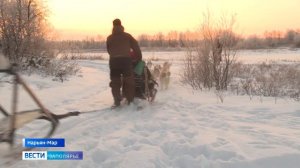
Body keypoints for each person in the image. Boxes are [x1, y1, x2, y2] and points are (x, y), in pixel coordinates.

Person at [106, 18, 142, 107]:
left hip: (114, 61)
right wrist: (139, 58)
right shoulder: (127, 36)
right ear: (121, 25)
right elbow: (136, 47)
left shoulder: (109, 38)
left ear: (113, 26)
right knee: (129, 80)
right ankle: (130, 101)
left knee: (115, 81)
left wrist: (115, 55)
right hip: (126, 61)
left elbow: (109, 50)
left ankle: (117, 101)